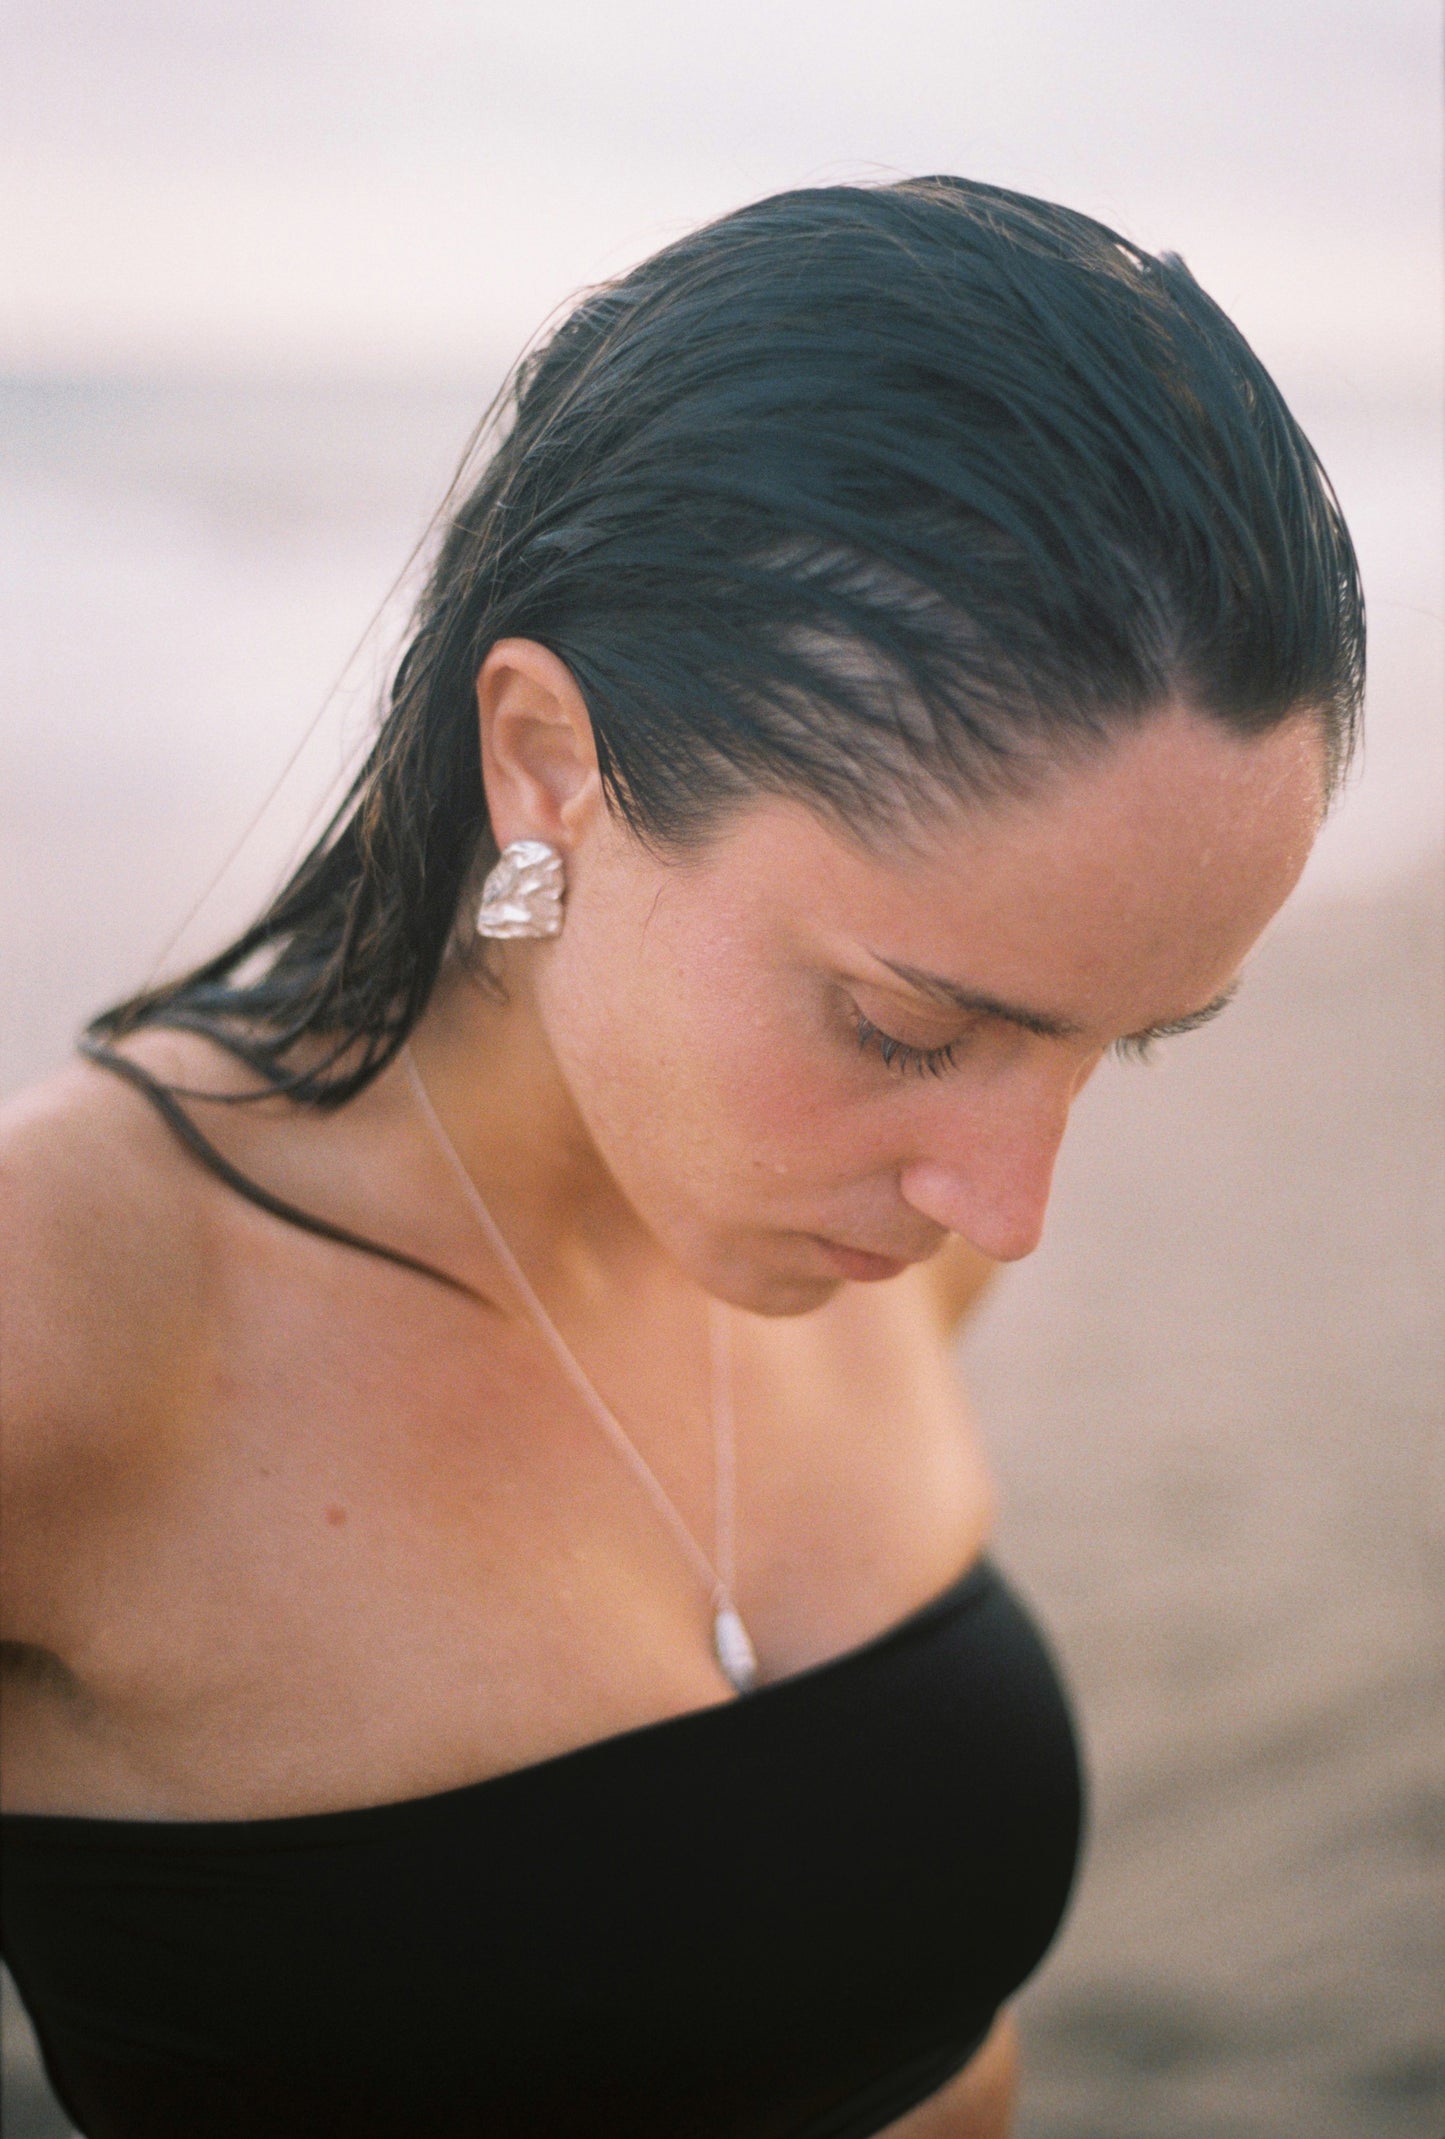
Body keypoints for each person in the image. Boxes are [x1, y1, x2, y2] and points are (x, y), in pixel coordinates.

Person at [0, 176, 1361, 2139]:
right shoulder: (73, 1318)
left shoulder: (885, 1221)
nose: (1009, 1207)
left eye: (1118, 1043)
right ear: (549, 760)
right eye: (909, 1023)